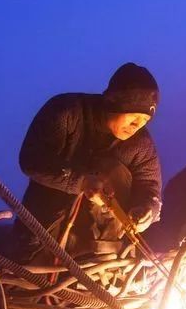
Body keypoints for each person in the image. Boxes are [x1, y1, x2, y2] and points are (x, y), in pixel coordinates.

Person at [13, 63, 162, 261]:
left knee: (115, 170)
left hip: (103, 248)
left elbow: (149, 186)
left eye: (145, 120)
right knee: (107, 169)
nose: (137, 125)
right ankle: (38, 254)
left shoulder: (141, 144)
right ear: (113, 103)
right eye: (134, 116)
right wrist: (81, 181)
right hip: (46, 229)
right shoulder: (66, 112)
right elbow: (32, 159)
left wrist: (146, 209)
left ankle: (105, 260)